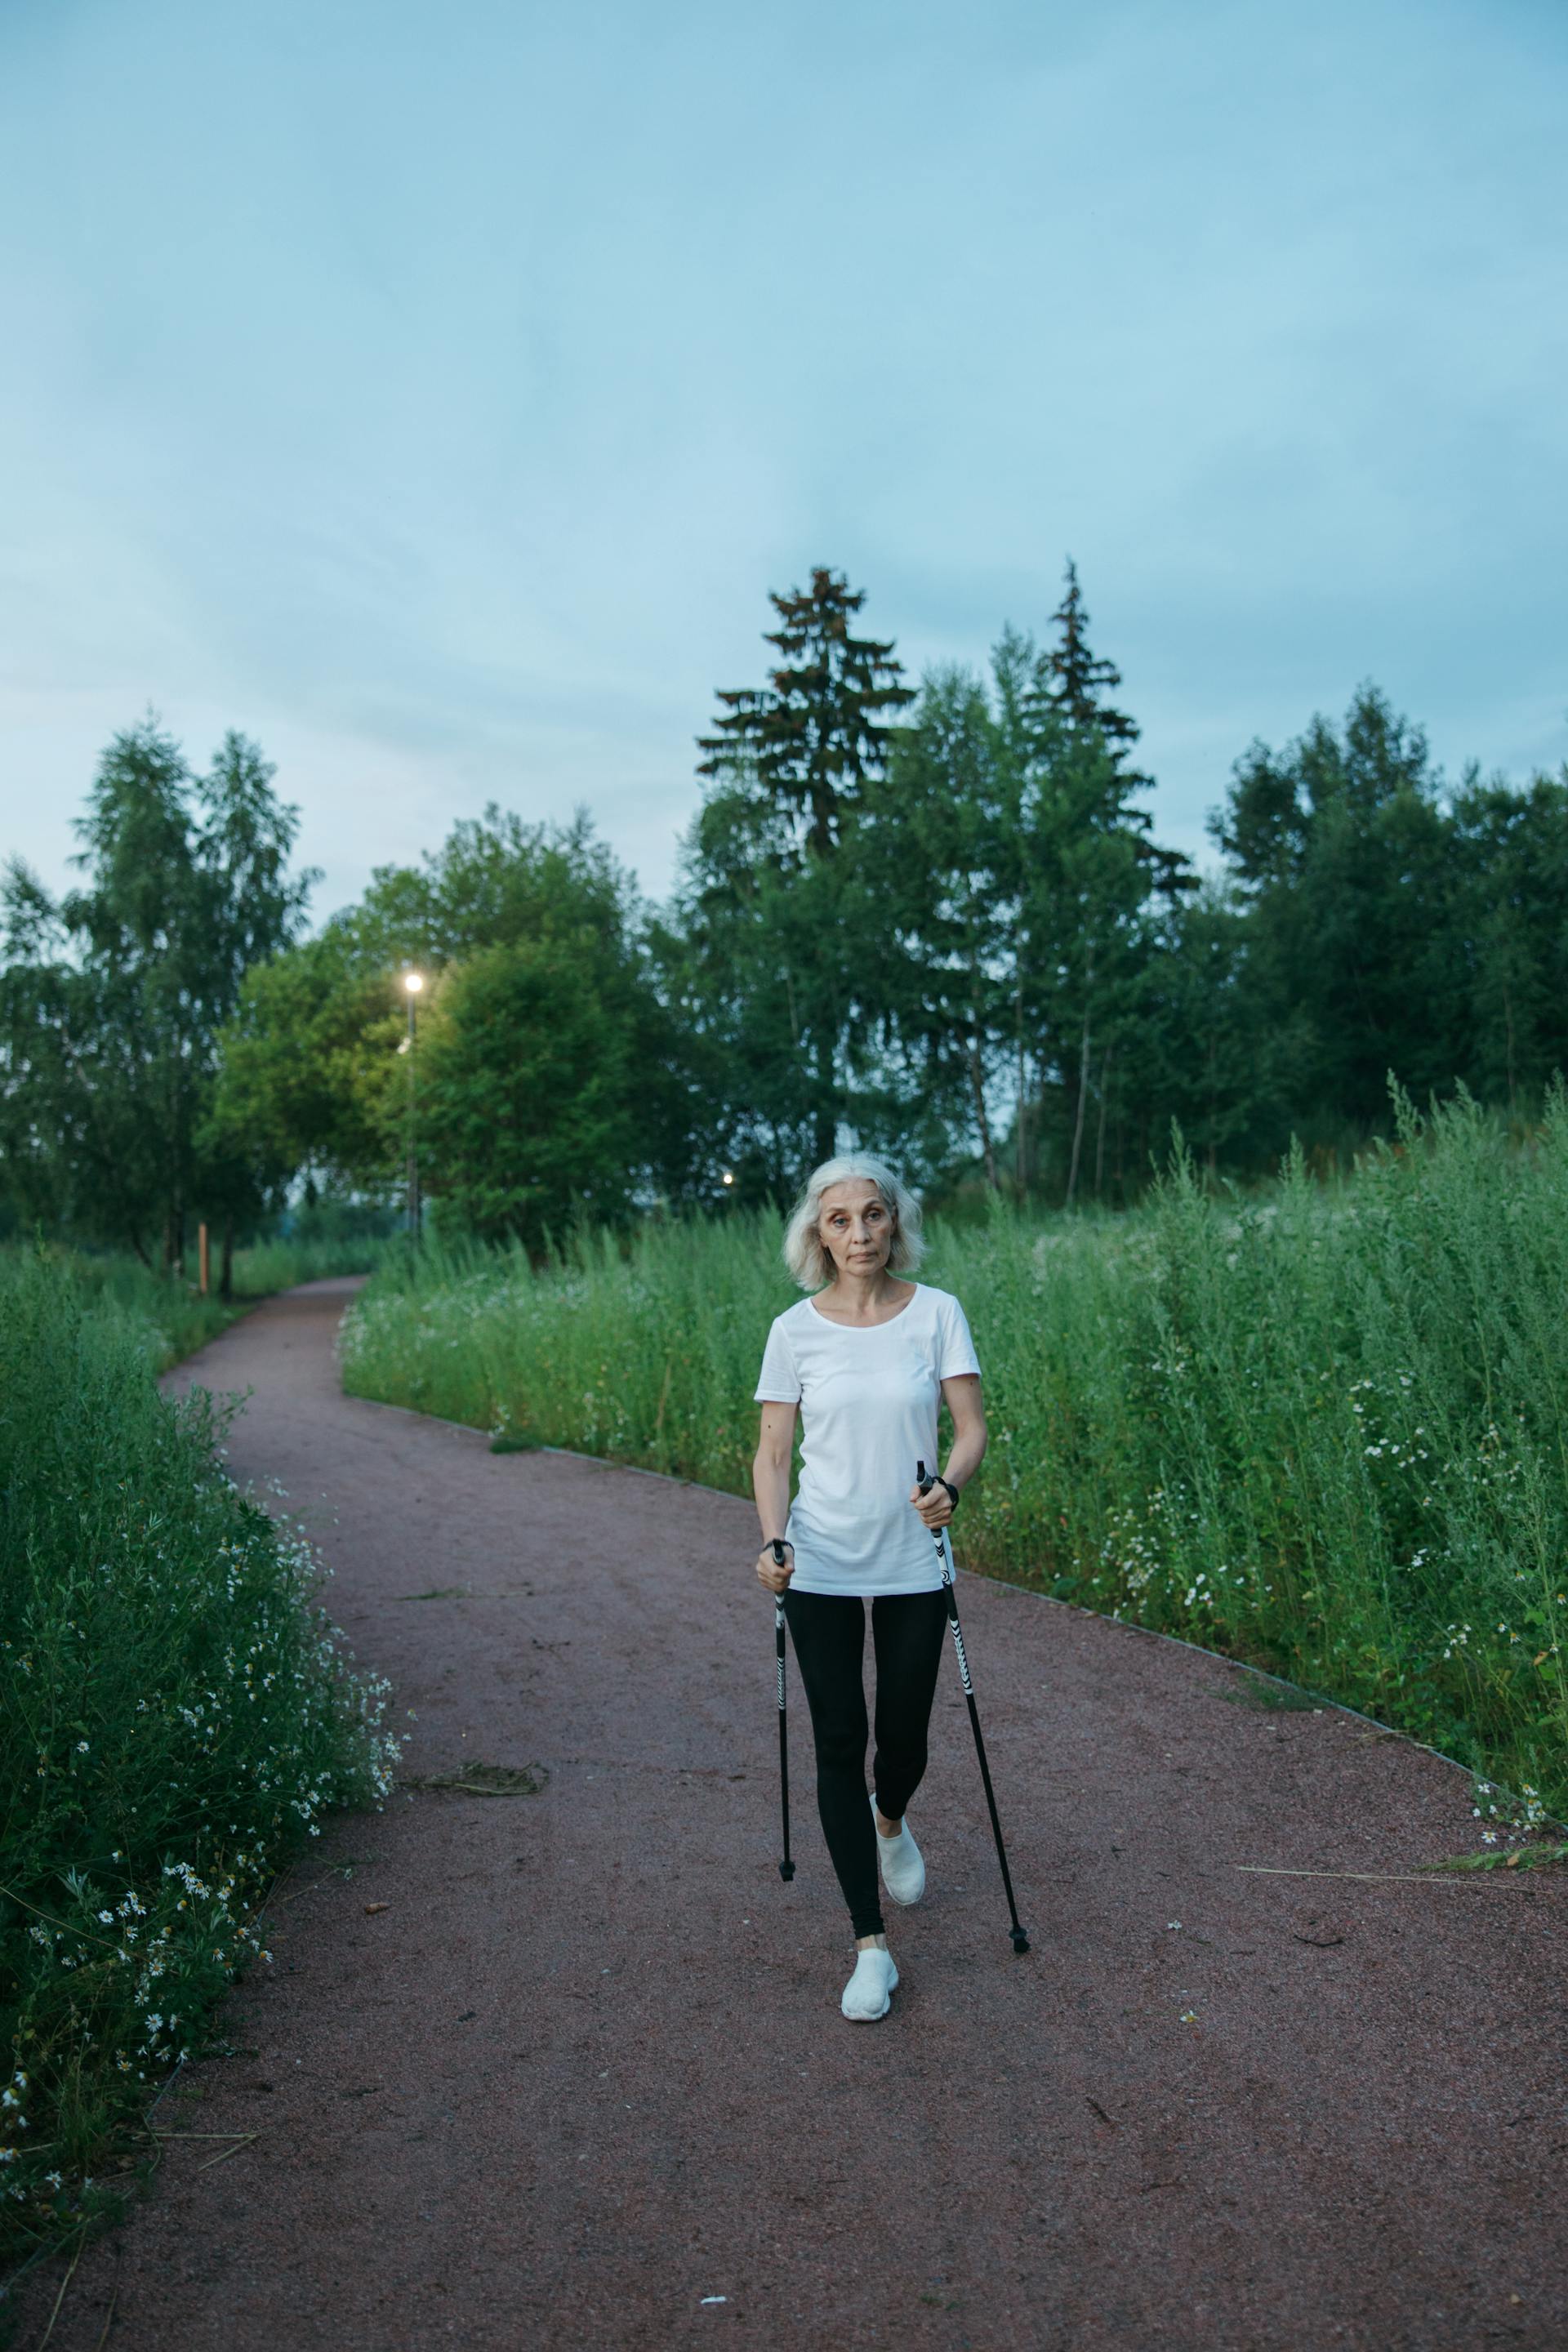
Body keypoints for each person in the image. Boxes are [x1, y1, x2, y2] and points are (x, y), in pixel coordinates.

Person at [751, 1154, 987, 2020]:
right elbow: (773, 1454)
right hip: (820, 1560)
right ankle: (869, 1945)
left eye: (874, 1215)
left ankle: (892, 1821)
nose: (860, 1233)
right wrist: (772, 1540)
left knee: (907, 1741)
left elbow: (970, 1431)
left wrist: (951, 1486)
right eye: (841, 1219)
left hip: (911, 1559)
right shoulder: (793, 1331)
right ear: (818, 1232)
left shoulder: (937, 1315)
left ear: (897, 1223)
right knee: (837, 1739)